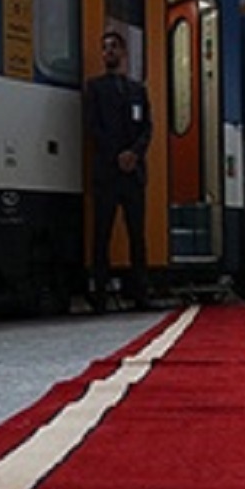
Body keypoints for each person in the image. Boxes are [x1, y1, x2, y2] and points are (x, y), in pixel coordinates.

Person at [83, 30, 152, 313]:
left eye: (113, 47)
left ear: (123, 53)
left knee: (137, 235)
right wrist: (118, 156)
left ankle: (140, 293)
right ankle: (99, 295)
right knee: (102, 234)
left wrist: (134, 153)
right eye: (105, 47)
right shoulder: (95, 88)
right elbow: (93, 127)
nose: (108, 52)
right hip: (108, 173)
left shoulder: (138, 90)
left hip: (133, 174)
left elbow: (147, 127)